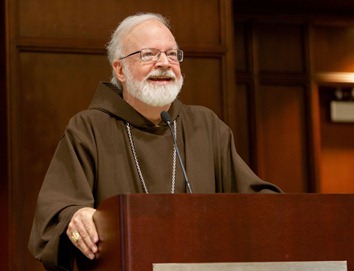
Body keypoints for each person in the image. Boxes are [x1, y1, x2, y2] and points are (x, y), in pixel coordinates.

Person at [28, 12, 282, 271]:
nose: (164, 63)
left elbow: (254, 201)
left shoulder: (205, 126)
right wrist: (75, 215)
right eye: (148, 54)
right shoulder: (88, 128)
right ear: (120, 69)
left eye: (172, 54)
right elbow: (57, 210)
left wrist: (284, 214)